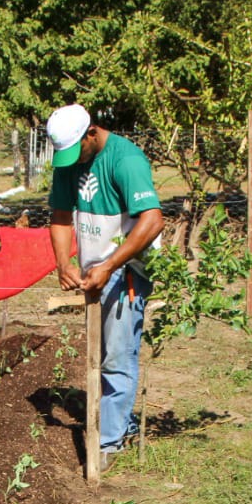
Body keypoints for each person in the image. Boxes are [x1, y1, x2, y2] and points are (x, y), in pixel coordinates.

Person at [46, 103, 164, 472]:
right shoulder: (70, 163)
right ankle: (115, 422)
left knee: (117, 355)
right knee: (101, 351)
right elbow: (61, 216)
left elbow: (153, 220)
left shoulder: (125, 160)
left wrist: (110, 264)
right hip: (93, 271)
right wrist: (64, 262)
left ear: (92, 133)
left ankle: (109, 441)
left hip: (126, 269)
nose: (71, 160)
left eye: (76, 150)